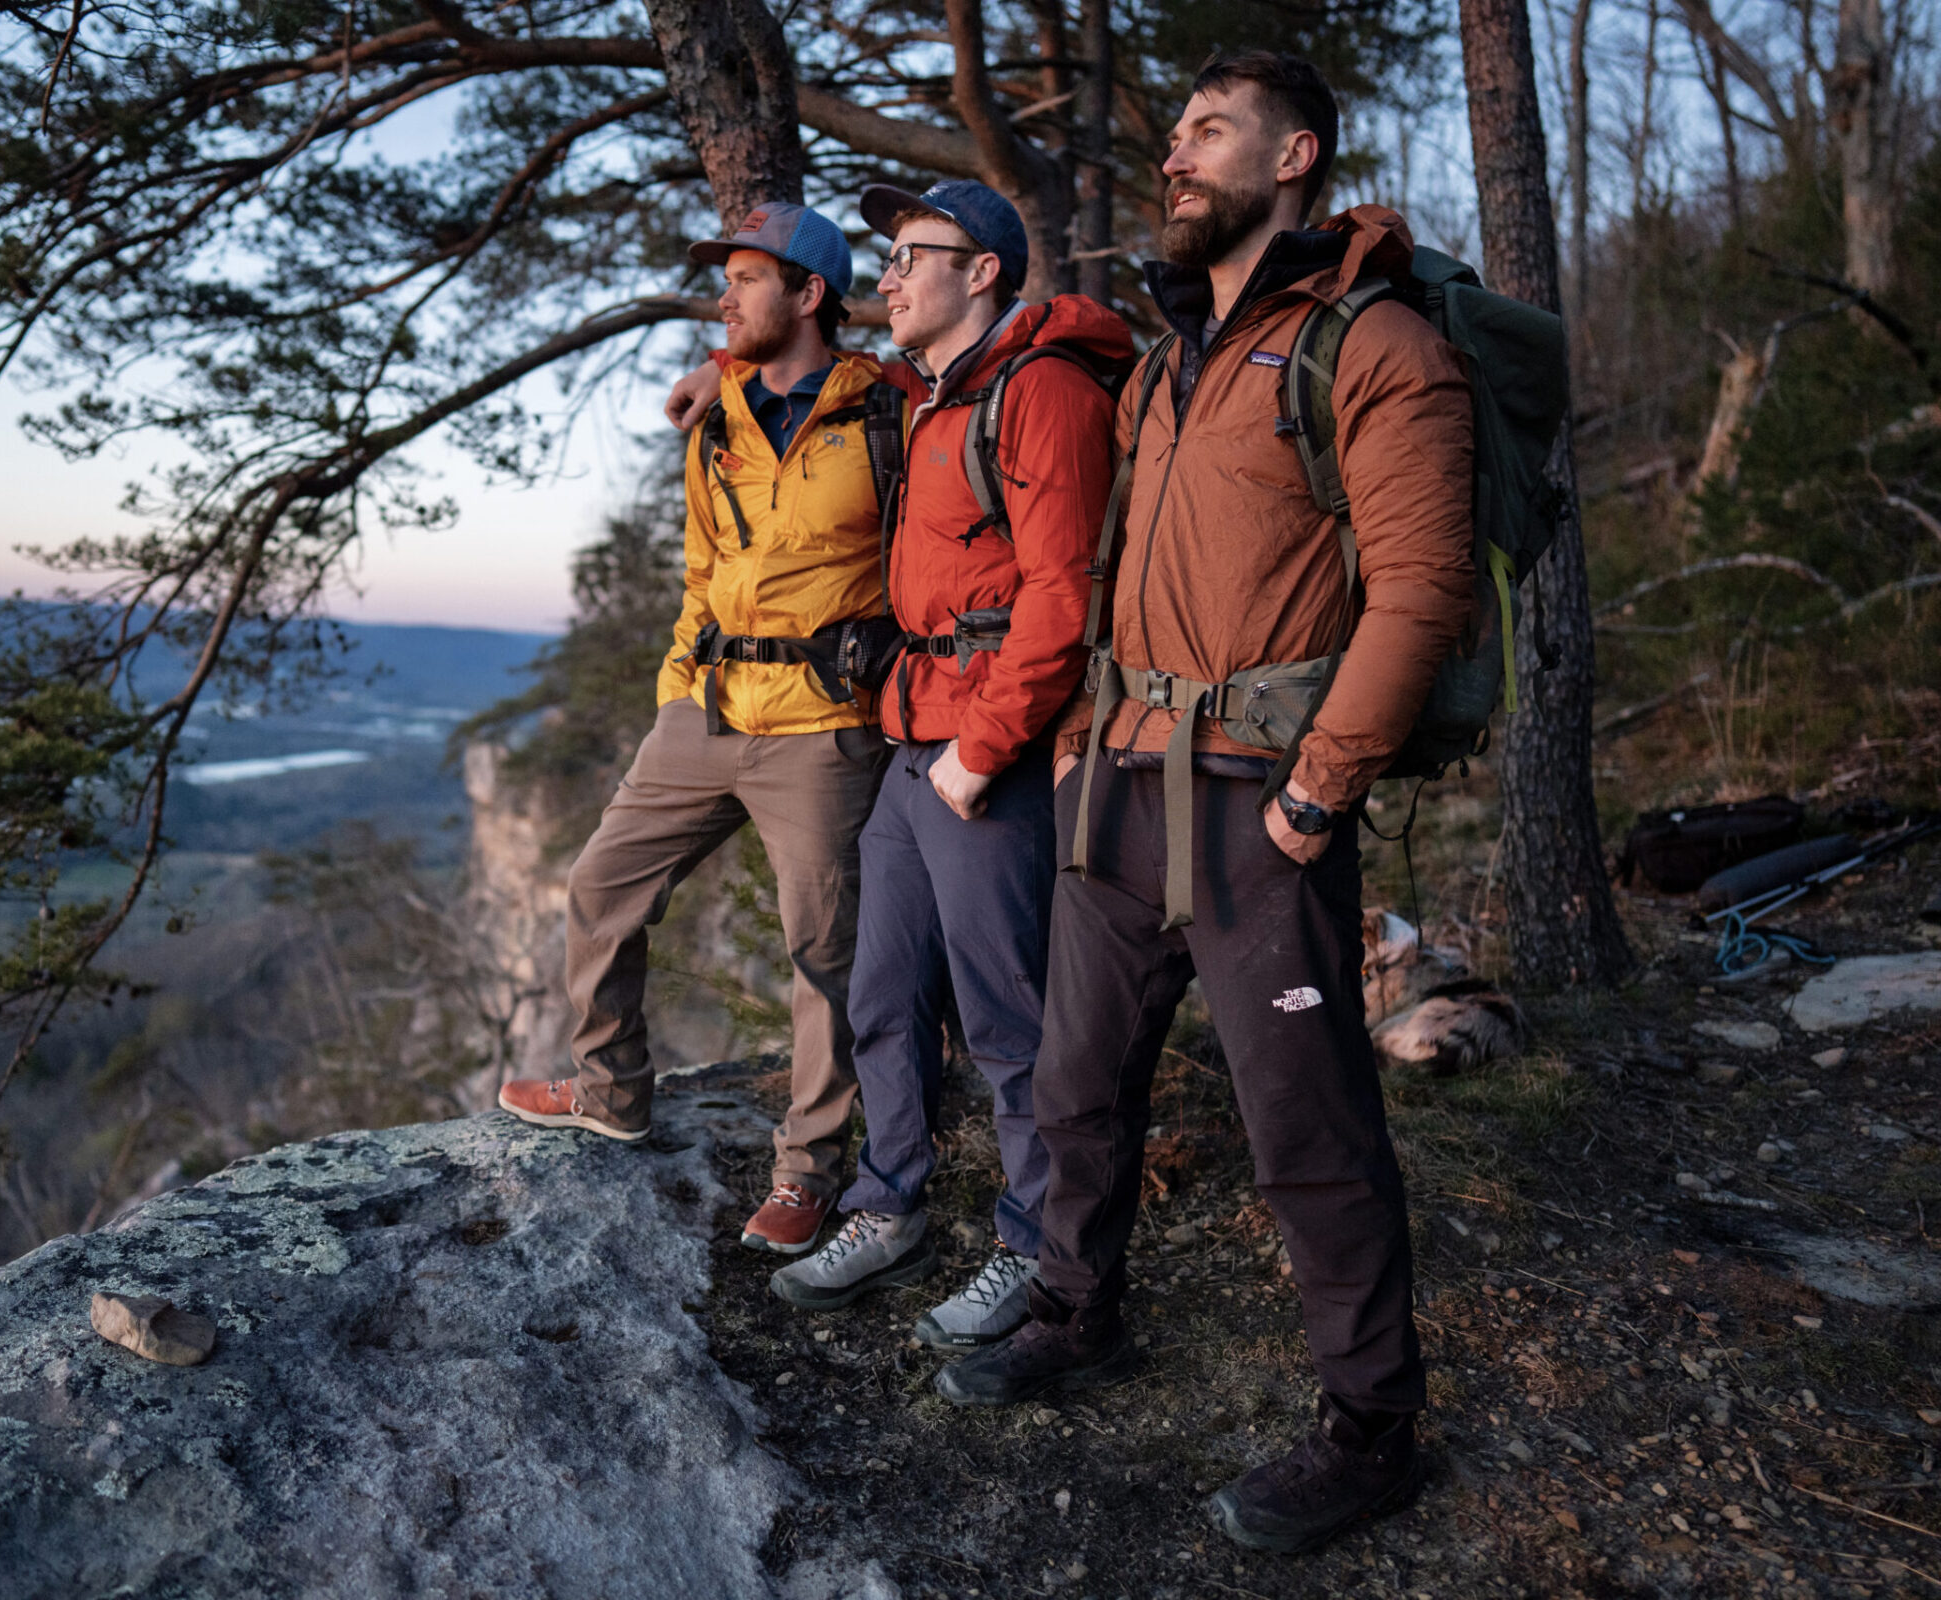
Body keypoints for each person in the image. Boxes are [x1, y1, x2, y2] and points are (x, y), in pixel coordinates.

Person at [928, 51, 1476, 1558]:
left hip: (1258, 804)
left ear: (1295, 156)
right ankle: (1074, 1312)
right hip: (1118, 788)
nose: (1176, 156)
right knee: (1075, 1083)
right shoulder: (1173, 360)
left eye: (1209, 132)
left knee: (1306, 1126)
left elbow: (1422, 589)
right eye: (1171, 134)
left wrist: (1318, 792)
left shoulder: (1373, 347)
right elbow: (1114, 572)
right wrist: (1081, 735)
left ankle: (1373, 1430)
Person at [672, 181, 1124, 1344]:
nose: (887, 275)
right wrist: (715, 381)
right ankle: (889, 1201)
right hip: (908, 733)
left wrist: (982, 751)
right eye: (883, 254)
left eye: (911, 254)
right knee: (881, 992)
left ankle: (1034, 1244)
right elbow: (791, 391)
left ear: (981, 271)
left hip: (985, 745)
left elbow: (1059, 595)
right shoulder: (924, 397)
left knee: (1005, 1015)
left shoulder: (1044, 392)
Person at [497, 203, 896, 1254]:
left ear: (811, 296)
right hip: (709, 709)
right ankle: (612, 1090)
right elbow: (702, 570)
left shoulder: (886, 414)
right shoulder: (717, 418)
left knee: (825, 954)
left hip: (823, 726)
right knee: (599, 886)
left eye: (749, 278)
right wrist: (679, 686)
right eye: (724, 278)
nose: (725, 293)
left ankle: (809, 1170)